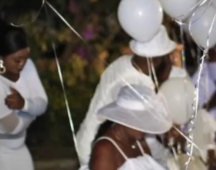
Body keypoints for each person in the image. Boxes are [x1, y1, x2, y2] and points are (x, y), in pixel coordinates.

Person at [77, 25, 187, 165]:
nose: (170, 61)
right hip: (97, 149)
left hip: (117, 142)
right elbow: (139, 126)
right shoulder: (132, 83)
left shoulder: (125, 64)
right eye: (167, 57)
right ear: (156, 59)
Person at [0, 21, 48, 170]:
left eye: (26, 58)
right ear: (0, 58)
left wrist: (24, 105)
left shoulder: (26, 66)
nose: (23, 64)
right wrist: (32, 112)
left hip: (20, 153)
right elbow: (13, 128)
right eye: (17, 60)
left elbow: (43, 103)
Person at [84, 84, 171, 170]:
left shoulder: (141, 142)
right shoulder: (105, 150)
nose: (145, 125)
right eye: (141, 119)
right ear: (124, 117)